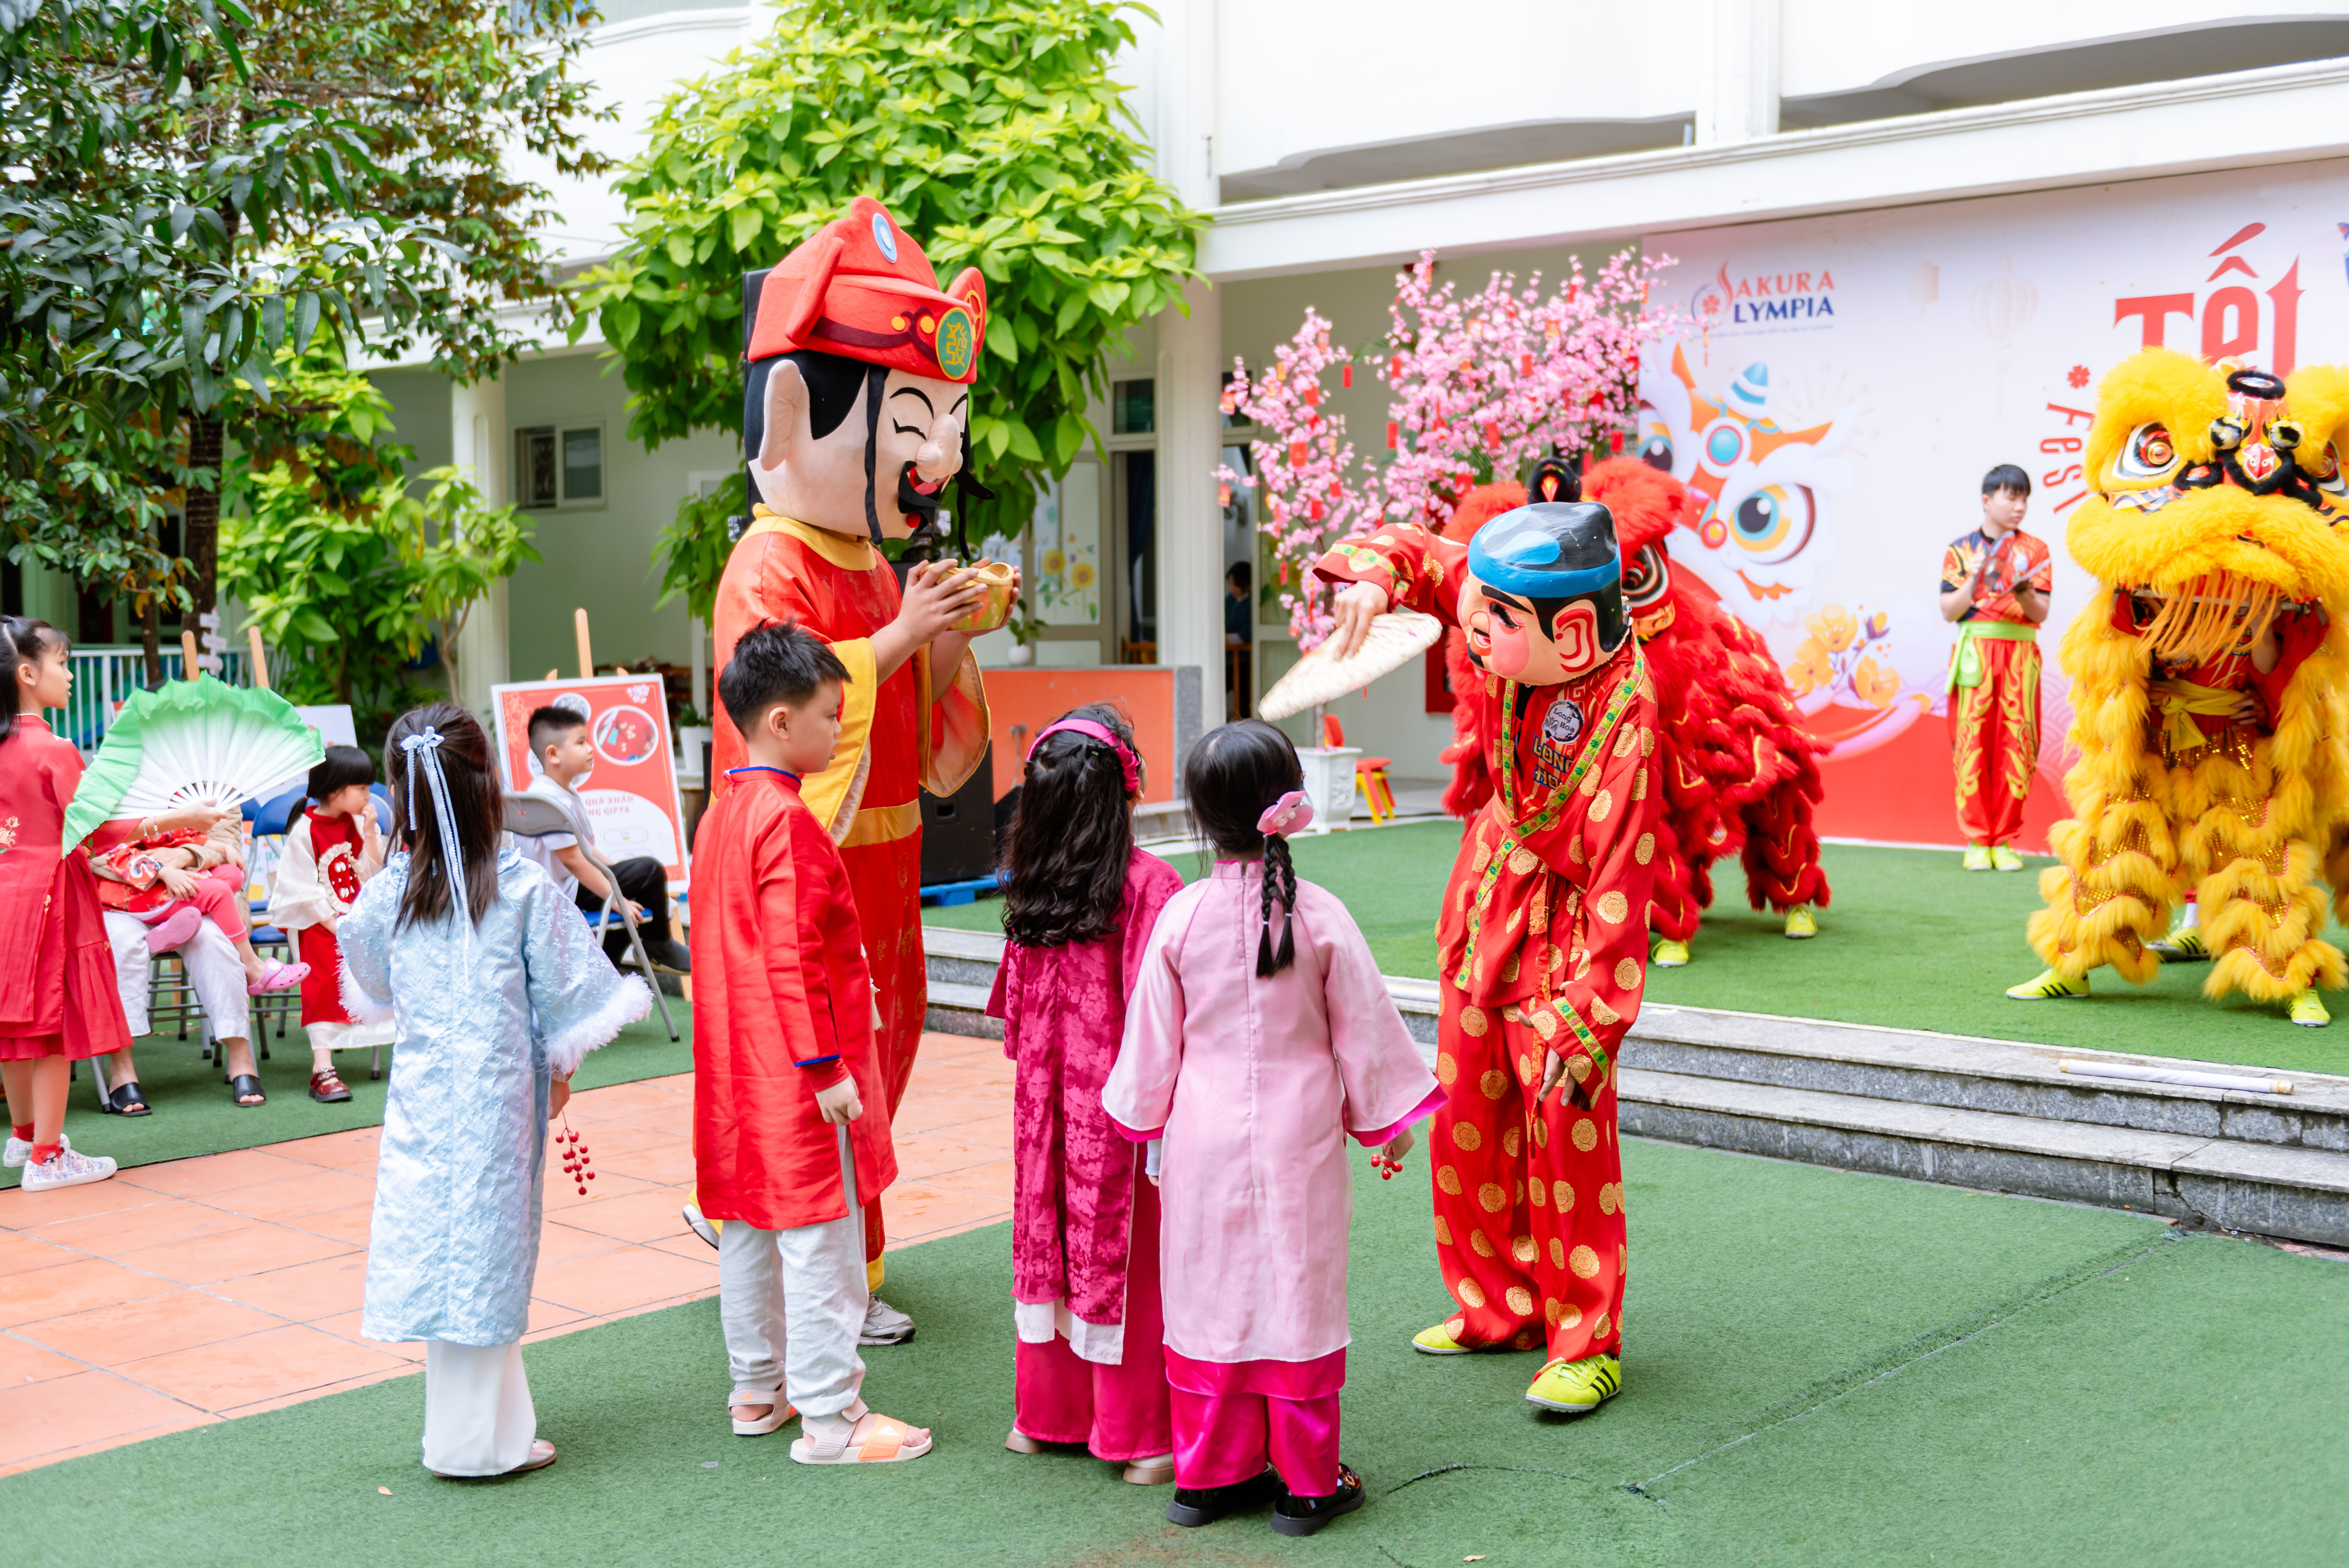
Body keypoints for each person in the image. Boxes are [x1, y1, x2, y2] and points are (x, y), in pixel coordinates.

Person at [703, 195, 1001, 1336]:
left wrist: (947, 630)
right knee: (824, 1055)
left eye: (947, 426)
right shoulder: (765, 563)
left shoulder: (876, 562)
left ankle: (841, 1254)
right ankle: (821, 1267)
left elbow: (923, 721)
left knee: (886, 1047)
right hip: (803, 858)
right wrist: (901, 634)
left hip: (886, 854)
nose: (939, 458)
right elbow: (786, 702)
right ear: (792, 415)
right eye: (912, 422)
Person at [1318, 495, 1663, 1419]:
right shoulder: (1506, 608)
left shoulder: (1626, 716)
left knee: (1564, 1129)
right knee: (1467, 1114)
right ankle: (1496, 1306)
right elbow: (1423, 553)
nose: (1470, 627)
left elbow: (1623, 877)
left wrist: (1591, 1013)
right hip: (1486, 903)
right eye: (1477, 607)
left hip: (1570, 932)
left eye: (1495, 620)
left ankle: (1584, 1338)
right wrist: (1374, 577)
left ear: (1574, 634)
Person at [1104, 720, 1440, 1538]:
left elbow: (1150, 1049)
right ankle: (1307, 1484)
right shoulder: (1318, 915)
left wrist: (1144, 1124)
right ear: (1288, 798)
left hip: (1201, 1136)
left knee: (1207, 1294)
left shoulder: (1181, 918)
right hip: (1301, 1138)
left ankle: (1208, 1476)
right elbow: (1364, 1028)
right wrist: (1386, 1123)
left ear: (1198, 815)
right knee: (1298, 1292)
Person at [341, 702, 650, 1478]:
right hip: (500, 1098)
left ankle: (488, 1429)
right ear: (487, 785)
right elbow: (573, 995)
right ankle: (476, 1444)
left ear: (401, 793)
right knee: (490, 1250)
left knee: (446, 1245)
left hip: (423, 1102)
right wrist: (561, 1074)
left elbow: (371, 980)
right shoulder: (519, 887)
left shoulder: (391, 893)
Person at [691, 621, 933, 1465]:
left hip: (737, 1068)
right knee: (819, 1238)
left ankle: (758, 1390)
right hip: (798, 1072)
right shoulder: (787, 820)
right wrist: (825, 1065)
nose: (840, 729)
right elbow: (794, 955)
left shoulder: (721, 813)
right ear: (781, 721)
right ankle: (833, 1417)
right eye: (831, 714)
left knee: (748, 1227)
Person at [988, 703, 1183, 1486]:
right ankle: (1140, 1438)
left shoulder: (1029, 887)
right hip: (1122, 1110)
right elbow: (1166, 1013)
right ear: (1127, 788)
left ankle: (1044, 1420)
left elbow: (1012, 1019)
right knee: (1123, 1254)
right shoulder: (1149, 886)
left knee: (1049, 1239)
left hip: (1041, 1106)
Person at [0, 617, 131, 1187]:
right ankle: (47, 1157)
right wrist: (183, 818)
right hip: (52, 897)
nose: (71, 675)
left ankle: (25, 1136)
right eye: (62, 662)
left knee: (15, 1026)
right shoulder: (53, 748)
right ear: (28, 674)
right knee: (53, 1029)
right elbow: (100, 831)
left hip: (8, 897)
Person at [510, 705, 691, 975]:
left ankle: (606, 970)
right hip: (563, 892)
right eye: (581, 743)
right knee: (650, 871)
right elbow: (573, 860)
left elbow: (585, 849)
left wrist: (617, 875)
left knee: (635, 888)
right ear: (553, 754)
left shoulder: (556, 791)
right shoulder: (550, 799)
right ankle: (659, 946)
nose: (590, 749)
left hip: (567, 886)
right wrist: (615, 895)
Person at [1940, 463, 2052, 871]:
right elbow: (1949, 610)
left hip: (2020, 654)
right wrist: (1977, 578)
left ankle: (2003, 841)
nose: (2020, 506)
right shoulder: (1961, 550)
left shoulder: (2036, 551)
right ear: (1987, 501)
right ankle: (1976, 840)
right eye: (2012, 497)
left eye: (2025, 499)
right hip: (1977, 653)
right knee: (1971, 742)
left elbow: (2042, 611)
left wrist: (2023, 592)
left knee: (2017, 745)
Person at [266, 745, 394, 1102]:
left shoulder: (356, 823)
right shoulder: (305, 831)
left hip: (354, 916)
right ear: (337, 790)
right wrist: (338, 927)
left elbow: (372, 874)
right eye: (362, 788)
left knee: (383, 958)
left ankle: (393, 1043)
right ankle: (322, 1066)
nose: (369, 796)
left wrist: (370, 832)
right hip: (318, 922)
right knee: (323, 974)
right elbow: (301, 890)